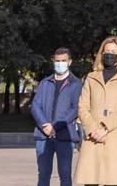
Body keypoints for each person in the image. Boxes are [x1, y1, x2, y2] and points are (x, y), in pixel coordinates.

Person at [75, 36, 117, 186]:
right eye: (106, 51)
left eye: (113, 51)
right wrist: (92, 129)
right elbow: (82, 106)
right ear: (101, 54)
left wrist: (105, 128)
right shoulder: (91, 77)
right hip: (92, 138)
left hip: (113, 135)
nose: (109, 54)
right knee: (91, 180)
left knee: (111, 180)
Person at [32, 47, 83, 186]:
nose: (60, 63)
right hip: (44, 136)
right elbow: (36, 105)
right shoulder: (44, 83)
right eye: (57, 61)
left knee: (65, 176)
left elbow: (75, 108)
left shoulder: (76, 84)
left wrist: (56, 126)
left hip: (65, 136)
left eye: (63, 61)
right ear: (53, 61)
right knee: (43, 175)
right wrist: (45, 125)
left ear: (70, 62)